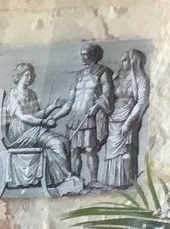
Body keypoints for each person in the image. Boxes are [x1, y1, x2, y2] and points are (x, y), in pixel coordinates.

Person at [0, 62, 73, 194]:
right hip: (19, 133)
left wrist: (53, 106)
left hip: (32, 129)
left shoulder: (31, 93)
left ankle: (60, 180)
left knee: (65, 141)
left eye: (30, 75)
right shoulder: (14, 94)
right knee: (57, 143)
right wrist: (44, 122)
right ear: (19, 76)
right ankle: (67, 177)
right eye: (26, 75)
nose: (29, 77)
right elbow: (23, 117)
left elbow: (35, 115)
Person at [62, 43, 113, 186]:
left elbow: (107, 92)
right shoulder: (77, 75)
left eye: (86, 54)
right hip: (75, 116)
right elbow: (70, 100)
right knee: (74, 150)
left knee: (90, 149)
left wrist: (96, 107)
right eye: (81, 54)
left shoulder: (103, 71)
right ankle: (76, 180)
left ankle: (94, 181)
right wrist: (54, 116)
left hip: (90, 115)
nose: (83, 57)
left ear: (94, 54)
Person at [98, 48, 150, 189]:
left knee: (126, 151)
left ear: (133, 60)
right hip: (114, 116)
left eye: (125, 59)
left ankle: (127, 181)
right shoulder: (118, 77)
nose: (122, 62)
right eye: (121, 60)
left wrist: (128, 123)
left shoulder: (140, 78)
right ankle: (112, 182)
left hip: (128, 116)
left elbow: (142, 102)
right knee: (111, 150)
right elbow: (110, 96)